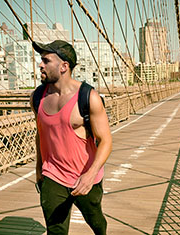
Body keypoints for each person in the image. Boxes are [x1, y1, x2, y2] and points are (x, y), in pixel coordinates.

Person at [30, 40, 112, 235]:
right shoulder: (37, 97)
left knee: (96, 222)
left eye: (46, 60)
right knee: (55, 230)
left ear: (64, 66)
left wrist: (90, 175)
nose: (40, 65)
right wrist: (39, 170)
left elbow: (106, 141)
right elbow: (40, 135)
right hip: (52, 177)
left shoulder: (88, 97)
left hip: (85, 177)